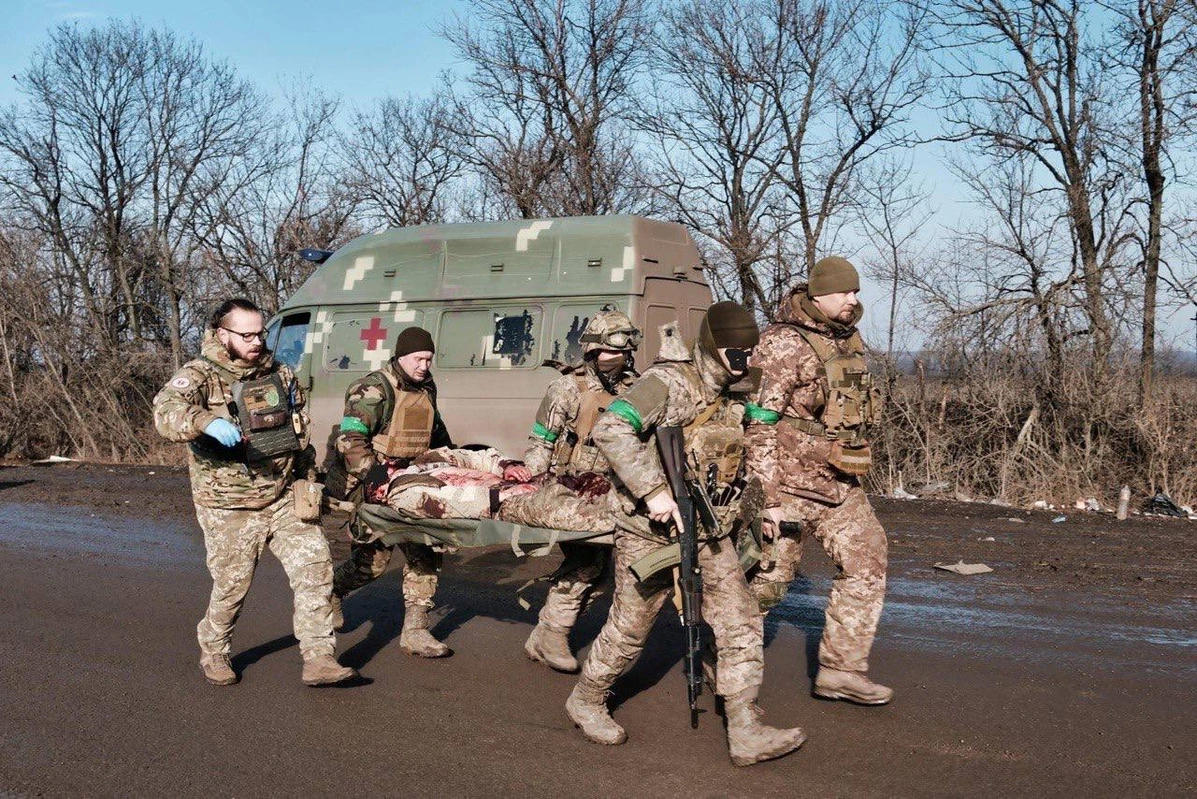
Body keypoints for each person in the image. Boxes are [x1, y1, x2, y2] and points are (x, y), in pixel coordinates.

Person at [565, 303, 806, 767]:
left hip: (709, 524)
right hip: (649, 527)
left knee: (739, 618)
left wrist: (766, 504)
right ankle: (587, 699)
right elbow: (611, 429)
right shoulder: (668, 383)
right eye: (734, 348)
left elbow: (753, 447)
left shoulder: (737, 392)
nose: (743, 357)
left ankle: (745, 727)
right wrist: (654, 491)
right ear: (712, 347)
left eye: (749, 350)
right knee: (632, 625)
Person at [153, 298, 356, 687]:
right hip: (228, 505)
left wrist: (306, 478)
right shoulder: (199, 376)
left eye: (260, 333)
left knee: (315, 570)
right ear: (221, 334)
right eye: (246, 335)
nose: (257, 341)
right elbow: (166, 411)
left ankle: (319, 658)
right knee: (232, 586)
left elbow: (298, 434)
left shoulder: (280, 373)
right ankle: (214, 649)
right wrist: (205, 421)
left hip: (281, 497)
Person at [743, 256, 892, 705]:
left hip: (837, 483)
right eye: (844, 292)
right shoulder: (781, 344)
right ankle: (728, 667)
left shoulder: (849, 341)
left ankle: (841, 671)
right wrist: (765, 496)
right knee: (767, 583)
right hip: (785, 486)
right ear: (817, 294)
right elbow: (758, 423)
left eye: (856, 292)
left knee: (868, 561)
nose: (852, 300)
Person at [328, 326, 530, 657]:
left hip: (416, 482)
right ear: (401, 356)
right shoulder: (371, 389)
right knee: (372, 565)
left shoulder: (426, 387)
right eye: (418, 359)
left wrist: (450, 466)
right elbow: (351, 441)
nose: (424, 365)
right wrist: (378, 476)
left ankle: (416, 630)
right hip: (375, 486)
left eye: (429, 358)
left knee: (425, 554)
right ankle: (333, 592)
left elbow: (435, 431)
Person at [520, 310, 640, 673]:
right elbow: (542, 440)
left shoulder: (635, 388)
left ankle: (545, 632)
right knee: (585, 564)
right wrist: (533, 488)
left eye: (619, 353)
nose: (613, 360)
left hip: (614, 492)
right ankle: (554, 634)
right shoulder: (567, 388)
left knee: (605, 573)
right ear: (591, 352)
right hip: (571, 490)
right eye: (605, 352)